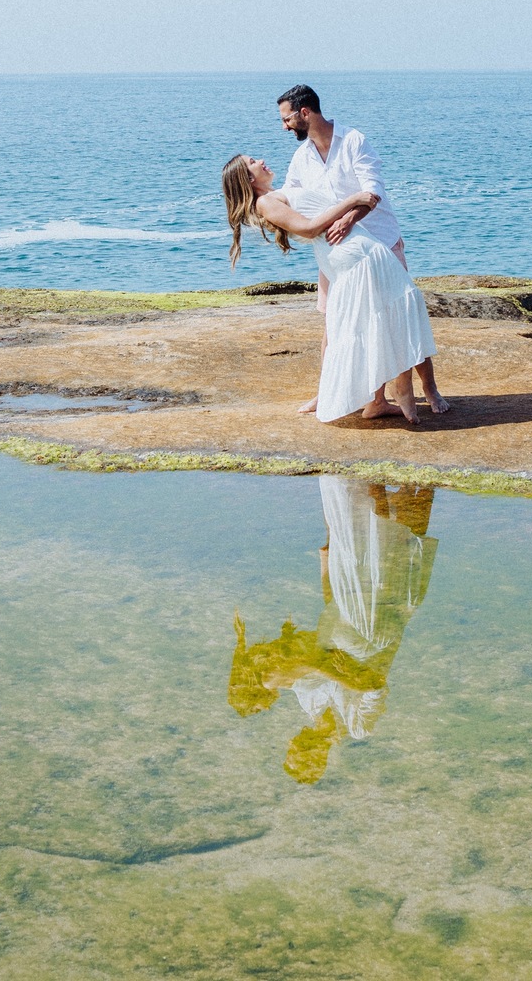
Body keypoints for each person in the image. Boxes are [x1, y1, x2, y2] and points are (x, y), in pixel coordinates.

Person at [228, 478, 438, 784]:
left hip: (342, 602)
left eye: (295, 747)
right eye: (306, 752)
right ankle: (417, 466)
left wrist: (327, 557)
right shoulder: (358, 726)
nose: (298, 743)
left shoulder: (306, 700)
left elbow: (319, 643)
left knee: (359, 523)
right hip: (376, 623)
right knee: (402, 529)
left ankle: (369, 469)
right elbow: (375, 685)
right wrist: (324, 666)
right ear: (322, 757)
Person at [221, 152, 436, 424]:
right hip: (354, 258)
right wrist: (353, 200)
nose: (261, 161)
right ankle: (400, 387)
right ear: (249, 178)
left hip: (355, 252)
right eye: (253, 162)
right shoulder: (265, 202)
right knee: (390, 314)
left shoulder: (280, 193)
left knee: (378, 318)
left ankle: (377, 401)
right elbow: (310, 228)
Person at [277, 84, 448, 415]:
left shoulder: (353, 141)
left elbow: (373, 190)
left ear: (304, 113)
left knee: (402, 317)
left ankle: (430, 389)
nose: (284, 126)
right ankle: (328, 392)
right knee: (333, 324)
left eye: (286, 119)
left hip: (380, 242)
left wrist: (349, 218)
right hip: (338, 255)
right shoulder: (302, 157)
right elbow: (292, 198)